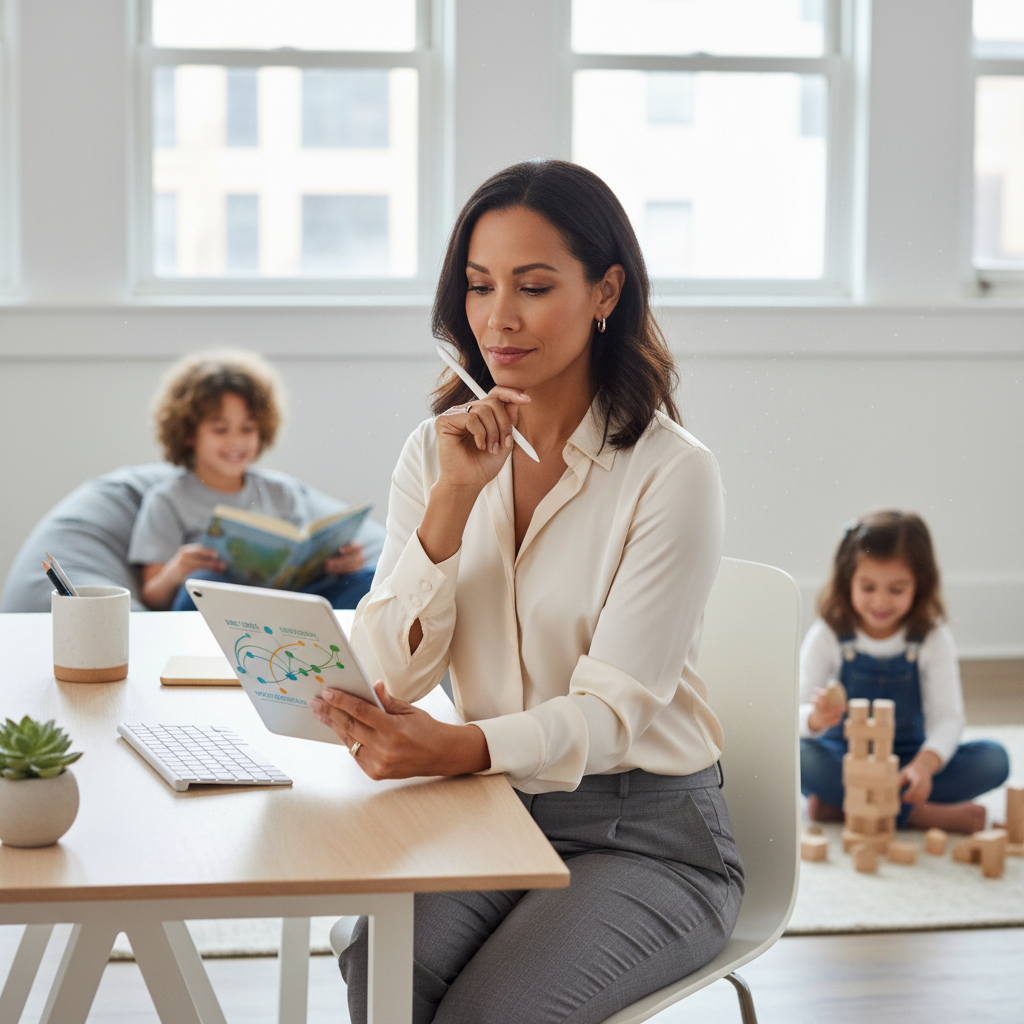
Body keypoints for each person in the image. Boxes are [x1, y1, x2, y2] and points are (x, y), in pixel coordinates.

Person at [308, 160, 744, 1024]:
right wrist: (451, 504)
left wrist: (458, 748)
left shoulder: (671, 475)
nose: (498, 318)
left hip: (646, 833)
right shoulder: (435, 456)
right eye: (478, 286)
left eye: (534, 286)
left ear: (605, 290)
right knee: (383, 974)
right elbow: (388, 672)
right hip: (494, 809)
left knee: (492, 1014)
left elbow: (613, 715)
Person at [800, 510, 1009, 833]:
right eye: (868, 587)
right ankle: (920, 816)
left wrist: (924, 765)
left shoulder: (931, 638)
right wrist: (815, 718)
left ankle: (845, 807)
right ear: (847, 580)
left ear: (920, 584)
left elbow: (948, 718)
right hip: (846, 759)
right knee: (799, 757)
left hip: (909, 761)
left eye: (896, 589)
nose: (881, 601)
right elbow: (793, 714)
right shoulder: (827, 634)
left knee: (994, 760)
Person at [128, 350, 374, 611]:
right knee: (201, 584)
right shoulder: (167, 499)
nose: (235, 441)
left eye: (247, 429)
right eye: (220, 430)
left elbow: (302, 565)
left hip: (288, 607)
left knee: (371, 579)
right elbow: (152, 596)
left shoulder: (282, 491)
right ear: (189, 433)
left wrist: (340, 565)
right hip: (225, 614)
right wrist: (178, 569)